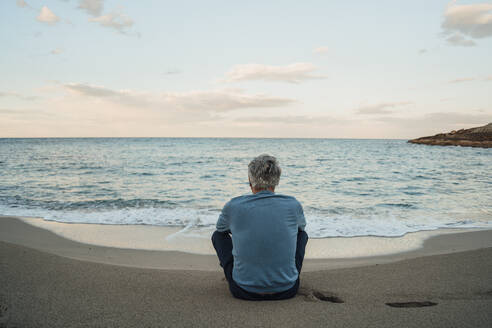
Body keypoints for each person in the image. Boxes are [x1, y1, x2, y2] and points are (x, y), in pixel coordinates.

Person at [211, 154, 308, 301]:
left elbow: (221, 230)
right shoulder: (293, 204)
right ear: (277, 180)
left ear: (250, 180)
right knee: (302, 234)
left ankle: (243, 273)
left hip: (242, 290)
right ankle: (284, 275)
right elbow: (300, 229)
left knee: (218, 236)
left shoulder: (233, 206)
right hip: (287, 289)